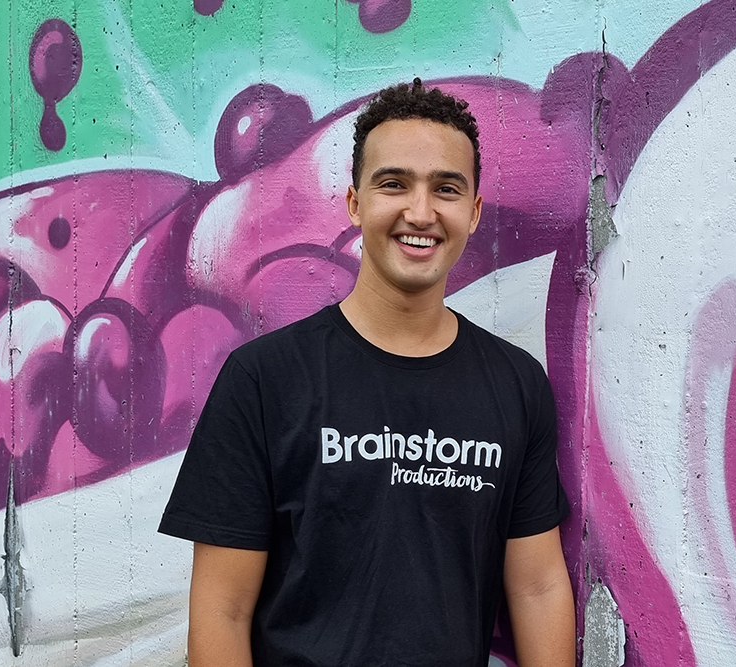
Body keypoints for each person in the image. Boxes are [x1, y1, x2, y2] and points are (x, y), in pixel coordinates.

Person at [159, 78, 575, 666]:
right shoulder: (263, 381)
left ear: (475, 211)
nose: (420, 211)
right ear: (355, 201)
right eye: (394, 184)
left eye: (447, 189)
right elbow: (222, 611)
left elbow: (537, 587)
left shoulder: (516, 385)